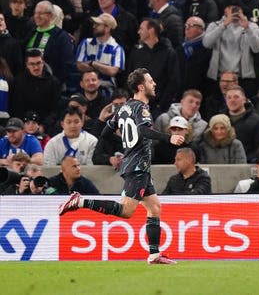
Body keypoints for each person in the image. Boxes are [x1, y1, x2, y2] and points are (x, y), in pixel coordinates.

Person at [58, 68, 186, 265]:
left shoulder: (124, 108)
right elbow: (143, 130)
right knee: (126, 211)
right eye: (151, 81)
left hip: (134, 163)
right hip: (138, 166)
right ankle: (80, 202)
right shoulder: (142, 108)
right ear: (141, 86)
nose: (155, 84)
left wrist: (126, 146)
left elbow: (105, 133)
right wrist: (170, 138)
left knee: (154, 207)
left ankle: (154, 255)